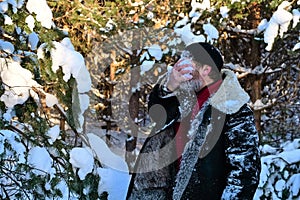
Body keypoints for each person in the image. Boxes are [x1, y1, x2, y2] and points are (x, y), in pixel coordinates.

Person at [126, 42, 261, 200]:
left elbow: (244, 174)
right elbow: (158, 114)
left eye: (187, 65)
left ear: (206, 69)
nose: (181, 71)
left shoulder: (234, 109)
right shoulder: (184, 97)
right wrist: (170, 85)